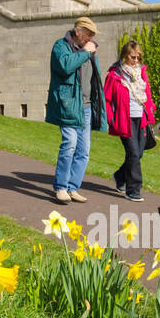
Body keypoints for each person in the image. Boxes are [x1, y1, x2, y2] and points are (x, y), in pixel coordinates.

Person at [45, 16, 102, 203]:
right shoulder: (60, 46)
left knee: (83, 151)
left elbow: (95, 78)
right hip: (69, 105)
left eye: (93, 36)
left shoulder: (89, 50)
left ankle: (72, 187)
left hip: (85, 107)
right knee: (69, 145)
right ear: (78, 32)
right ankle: (61, 187)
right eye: (89, 34)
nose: (91, 39)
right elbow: (65, 66)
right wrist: (85, 53)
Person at [103, 39, 156, 202]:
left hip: (141, 118)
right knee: (133, 153)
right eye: (133, 57)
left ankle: (119, 177)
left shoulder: (142, 74)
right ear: (125, 56)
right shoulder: (114, 75)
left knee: (138, 154)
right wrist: (110, 120)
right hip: (124, 119)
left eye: (138, 57)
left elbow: (146, 94)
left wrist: (150, 109)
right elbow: (107, 99)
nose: (136, 61)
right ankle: (133, 190)